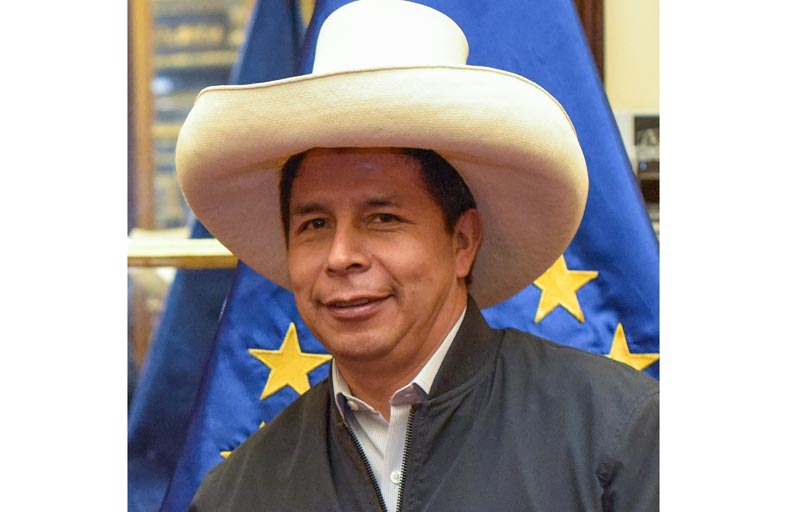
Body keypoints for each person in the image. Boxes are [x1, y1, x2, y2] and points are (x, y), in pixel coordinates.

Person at [176, 1, 658, 510]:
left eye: (382, 219)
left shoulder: (615, 438)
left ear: (463, 241)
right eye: (314, 225)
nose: (341, 256)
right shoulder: (239, 493)